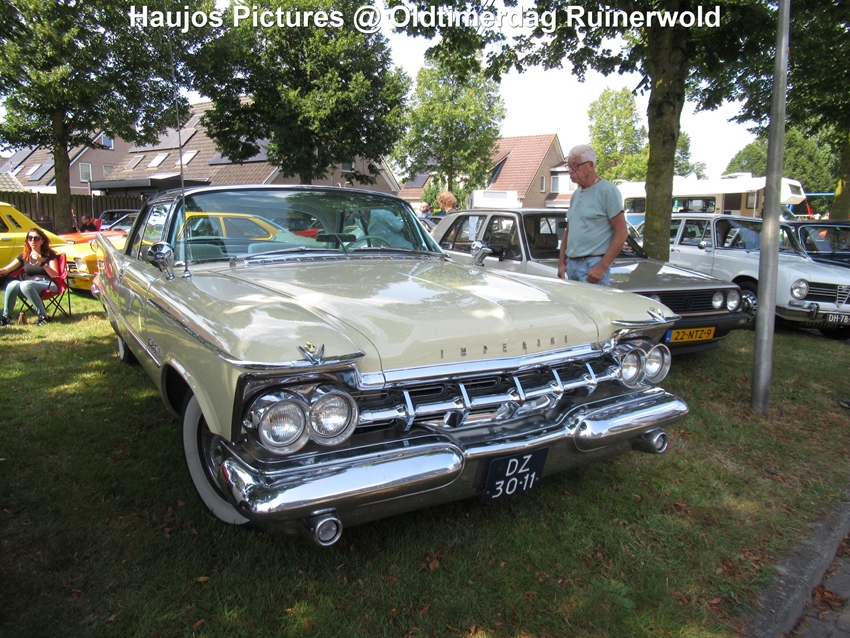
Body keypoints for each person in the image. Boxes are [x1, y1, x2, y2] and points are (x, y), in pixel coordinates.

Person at [557, 144, 628, 286]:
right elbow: (569, 231)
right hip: (572, 265)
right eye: (569, 166)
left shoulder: (607, 191)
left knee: (593, 302)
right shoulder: (576, 195)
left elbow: (622, 232)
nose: (570, 171)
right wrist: (562, 263)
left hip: (592, 265)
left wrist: (602, 267)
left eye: (575, 166)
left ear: (590, 165)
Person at [0, 228, 60, 326]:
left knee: (25, 284)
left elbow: (55, 275)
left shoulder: (49, 255)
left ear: (42, 241)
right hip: (28, 286)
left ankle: (43, 316)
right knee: (12, 284)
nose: (33, 241)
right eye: (30, 238)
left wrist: (43, 262)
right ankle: (6, 318)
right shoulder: (25, 256)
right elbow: (7, 270)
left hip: (47, 284)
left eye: (36, 238)